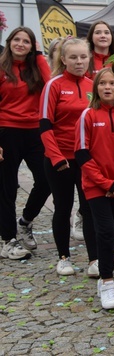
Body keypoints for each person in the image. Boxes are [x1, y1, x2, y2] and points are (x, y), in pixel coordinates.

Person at [75, 68, 114, 309]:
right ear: (96, 88)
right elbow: (81, 153)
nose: (108, 88)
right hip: (96, 185)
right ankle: (108, 282)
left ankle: (105, 279)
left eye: (113, 84)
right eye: (103, 84)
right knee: (106, 231)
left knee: (111, 234)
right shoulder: (88, 115)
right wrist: (104, 182)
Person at [40, 38, 98, 276]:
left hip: (85, 159)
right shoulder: (53, 85)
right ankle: (63, 257)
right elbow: (44, 126)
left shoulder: (92, 85)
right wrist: (56, 158)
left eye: (83, 57)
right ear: (63, 59)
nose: (79, 61)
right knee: (63, 207)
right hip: (60, 160)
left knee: (89, 208)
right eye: (73, 57)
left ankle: (95, 259)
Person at [0, 27, 51, 260]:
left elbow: (50, 86)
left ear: (32, 46)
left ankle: (25, 221)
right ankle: (7, 239)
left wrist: (39, 56)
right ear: (10, 42)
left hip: (34, 133)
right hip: (6, 131)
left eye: (26, 41)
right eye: (17, 40)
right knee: (7, 188)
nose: (21, 44)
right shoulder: (1, 68)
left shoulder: (35, 68)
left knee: (46, 179)